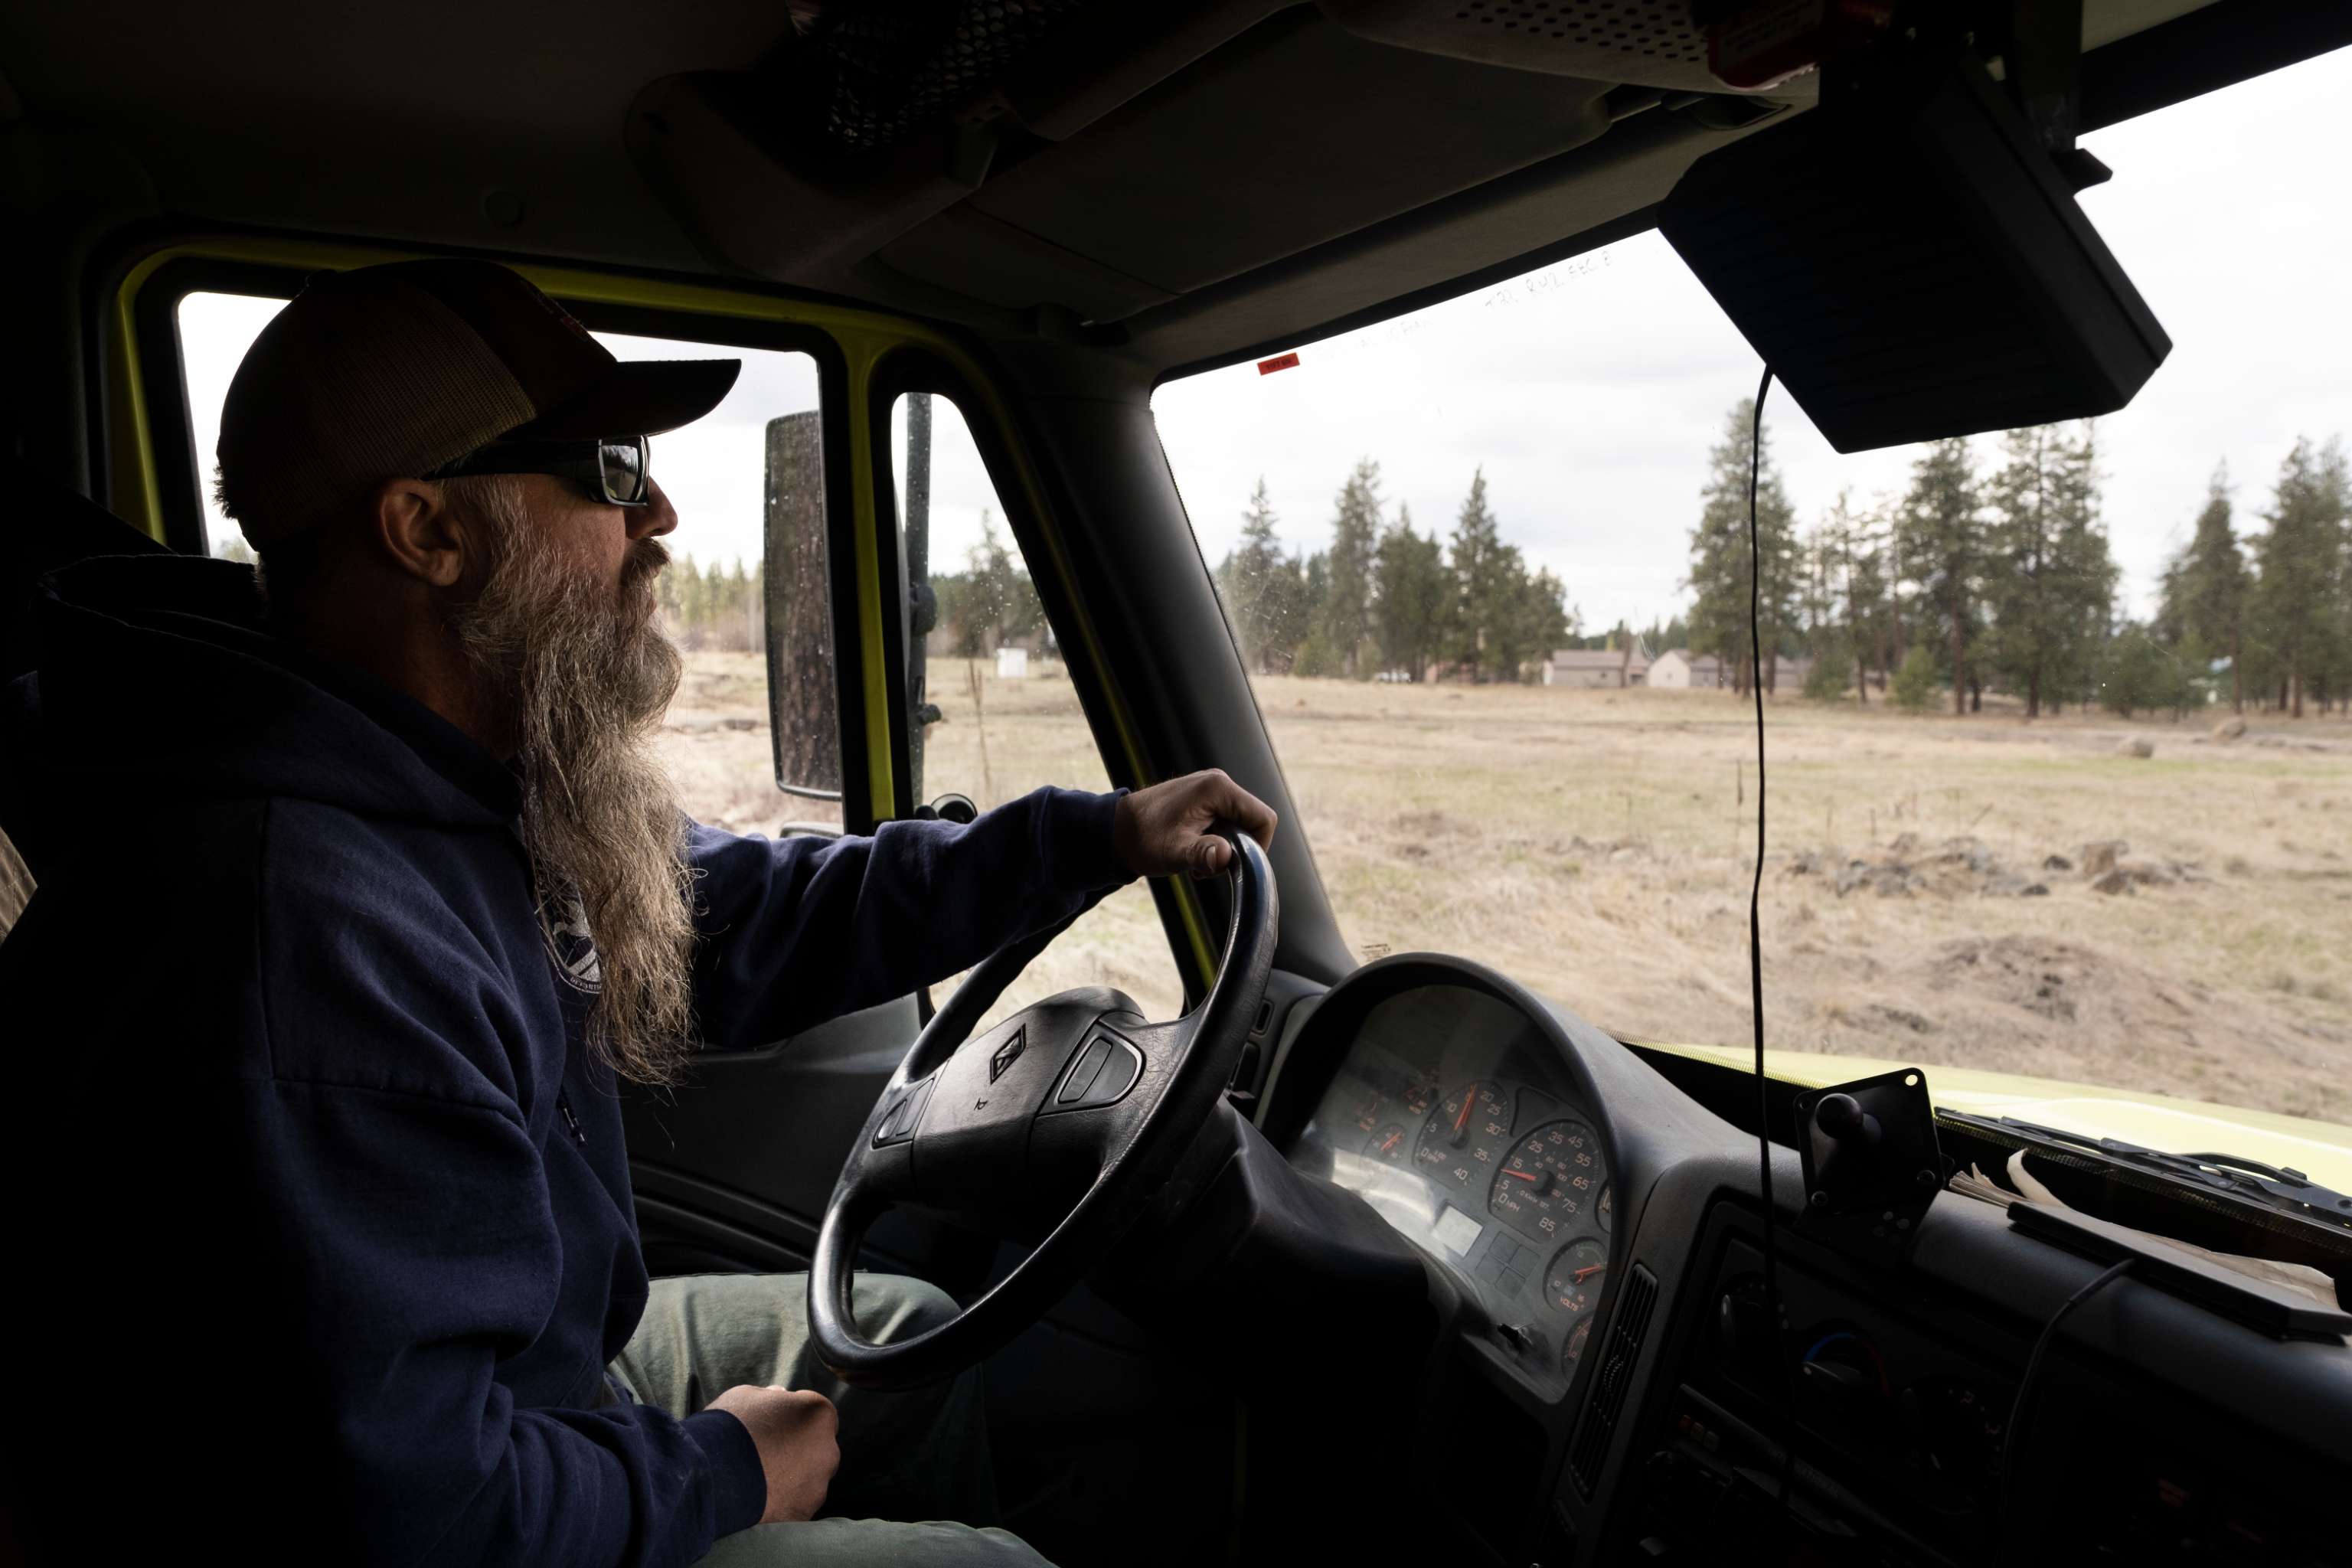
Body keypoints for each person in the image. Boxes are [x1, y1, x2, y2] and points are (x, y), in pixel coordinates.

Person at [0, 260, 1276, 1567]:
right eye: (610, 470)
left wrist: (1093, 836)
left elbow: (728, 915)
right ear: (427, 531)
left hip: (517, 1396)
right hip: (420, 1511)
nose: (658, 512)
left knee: (896, 1332)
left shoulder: (439, 784)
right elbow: (413, 1515)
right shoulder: (305, 934)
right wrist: (724, 1468)